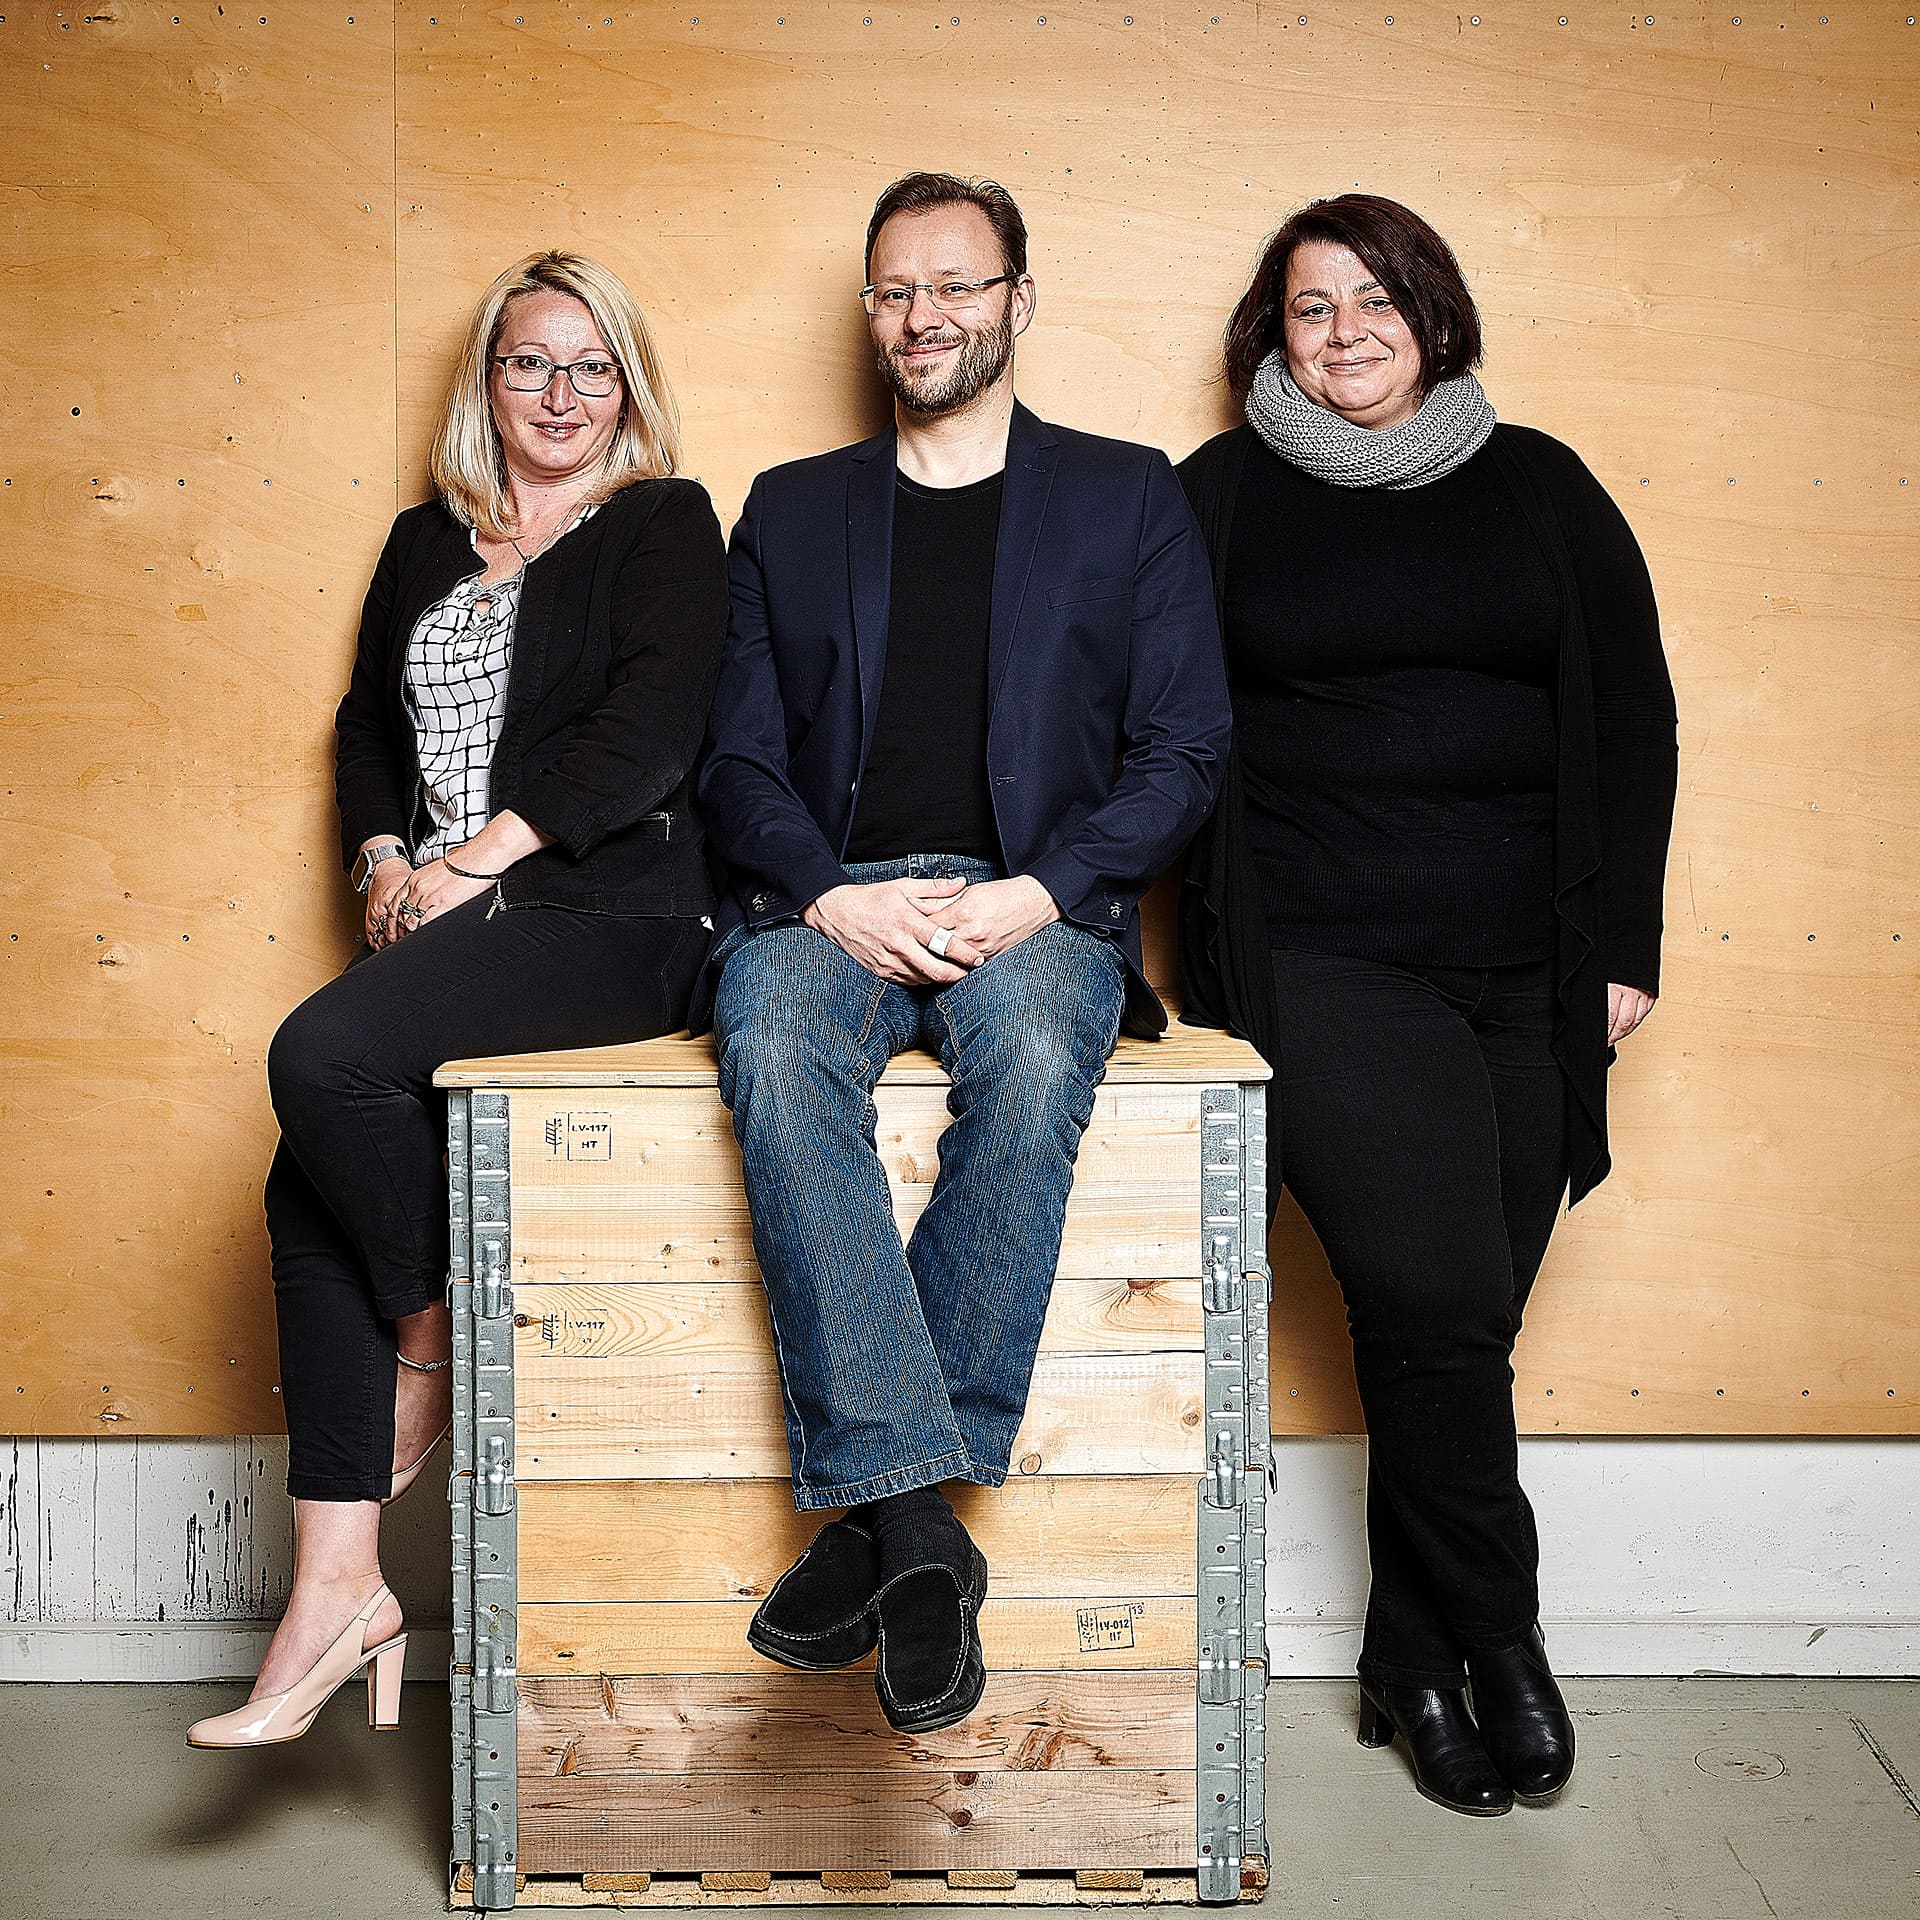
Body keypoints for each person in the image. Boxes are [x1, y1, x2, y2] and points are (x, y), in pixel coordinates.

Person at [695, 172, 1230, 1735]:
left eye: (956, 284)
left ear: (1017, 299)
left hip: (1036, 905)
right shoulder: (790, 508)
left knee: (1044, 1048)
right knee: (775, 1041)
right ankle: (925, 1526)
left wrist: (1042, 890)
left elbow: (1185, 749)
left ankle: (877, 1515)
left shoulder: (1131, 499)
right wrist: (823, 895)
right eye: (893, 290)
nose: (923, 315)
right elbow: (734, 762)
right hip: (830, 898)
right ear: (870, 314)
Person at [1178, 195, 1678, 1815]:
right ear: (1275, 335)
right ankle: (1507, 1641)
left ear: (1434, 314)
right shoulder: (1217, 501)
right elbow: (1148, 728)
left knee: (1446, 1324)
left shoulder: (1542, 484)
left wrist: (1625, 944)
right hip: (1326, 960)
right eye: (1313, 309)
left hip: (1530, 967)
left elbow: (1638, 724)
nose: (1348, 333)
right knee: (1446, 1295)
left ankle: (1405, 1649)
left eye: (1379, 300)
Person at [188, 251, 727, 1749]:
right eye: (526, 364)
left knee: (319, 1056)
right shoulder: (427, 540)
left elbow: (648, 739)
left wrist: (472, 866)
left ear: (627, 385)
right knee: (304, 1186)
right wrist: (381, 859)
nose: (558, 396)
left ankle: (429, 1334)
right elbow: (366, 725)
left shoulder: (666, 526)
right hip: (447, 919)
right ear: (484, 382)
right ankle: (339, 1589)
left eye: (589, 368)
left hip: (610, 917)